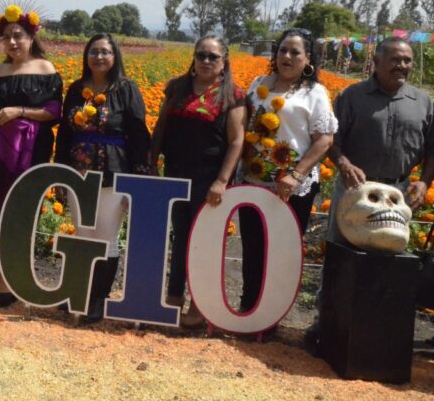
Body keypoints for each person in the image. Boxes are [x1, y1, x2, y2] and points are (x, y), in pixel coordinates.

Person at [237, 28, 337, 317]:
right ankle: (248, 309)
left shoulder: (315, 93)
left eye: (295, 52)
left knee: (281, 252)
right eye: (283, 50)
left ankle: (271, 316)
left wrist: (295, 175)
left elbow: (324, 140)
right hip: (253, 179)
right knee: (252, 247)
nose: (287, 56)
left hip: (293, 187)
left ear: (308, 60)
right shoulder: (259, 83)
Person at [150, 35, 245, 327]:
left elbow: (236, 141)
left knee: (204, 240)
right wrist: (152, 161)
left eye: (213, 57)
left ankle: (199, 304)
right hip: (177, 173)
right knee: (180, 237)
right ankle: (174, 296)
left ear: (224, 61)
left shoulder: (233, 95)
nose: (206, 61)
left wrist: (222, 180)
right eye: (201, 55)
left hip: (209, 178)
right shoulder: (177, 88)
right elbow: (162, 126)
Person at [54, 33, 151, 321]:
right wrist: (61, 171)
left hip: (114, 171)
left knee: (106, 235)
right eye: (94, 51)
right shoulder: (76, 89)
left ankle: (98, 298)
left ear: (115, 56)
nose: (99, 57)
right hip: (78, 170)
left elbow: (138, 134)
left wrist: (140, 178)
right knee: (83, 234)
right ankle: (78, 291)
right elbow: (65, 133)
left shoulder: (126, 89)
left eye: (105, 52)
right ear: (87, 56)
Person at [0, 5, 62, 306]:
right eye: (6, 37)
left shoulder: (45, 69)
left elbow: (54, 112)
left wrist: (20, 112)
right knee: (0, 210)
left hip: (31, 148)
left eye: (18, 36)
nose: (12, 42)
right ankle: (5, 275)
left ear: (31, 37)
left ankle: (9, 280)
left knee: (23, 210)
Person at [327, 37, 434, 233]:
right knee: (342, 255)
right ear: (376, 62)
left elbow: (432, 148)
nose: (401, 66)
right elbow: (331, 141)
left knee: (388, 257)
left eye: (407, 61)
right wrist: (344, 164)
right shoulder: (351, 96)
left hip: (398, 194)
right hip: (354, 190)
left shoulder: (424, 103)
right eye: (394, 60)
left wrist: (425, 182)